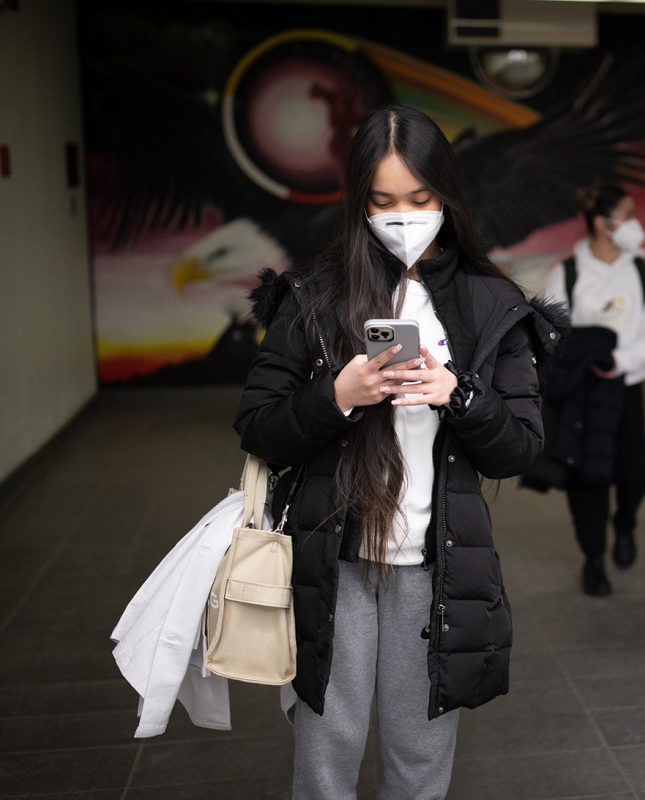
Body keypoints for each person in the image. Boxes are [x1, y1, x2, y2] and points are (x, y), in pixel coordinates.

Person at [234, 105, 565, 800]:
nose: (404, 217)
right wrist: (341, 393)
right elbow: (259, 426)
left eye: (420, 199)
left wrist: (458, 393)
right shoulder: (315, 297)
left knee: (419, 760)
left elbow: (519, 450)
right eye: (383, 202)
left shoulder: (489, 302)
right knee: (327, 755)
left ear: (446, 194)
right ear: (359, 203)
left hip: (436, 568)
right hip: (336, 563)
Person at [542, 185, 645, 596]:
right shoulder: (567, 273)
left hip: (626, 390)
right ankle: (593, 558)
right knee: (589, 479)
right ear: (601, 222)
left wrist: (621, 361)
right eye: (626, 215)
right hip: (582, 394)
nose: (635, 224)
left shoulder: (642, 271)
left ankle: (625, 522)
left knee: (635, 473)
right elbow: (551, 335)